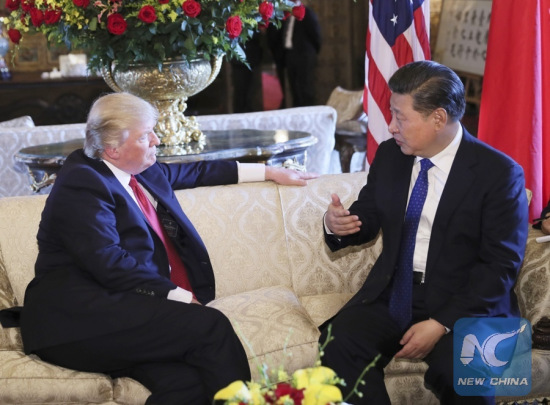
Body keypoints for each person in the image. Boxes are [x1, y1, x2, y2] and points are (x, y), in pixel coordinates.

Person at [10, 93, 317, 405]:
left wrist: (269, 171)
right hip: (73, 322)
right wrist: (181, 297)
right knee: (210, 326)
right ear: (113, 148)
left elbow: (197, 172)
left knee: (188, 385)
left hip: (122, 314)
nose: (157, 140)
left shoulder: (139, 169)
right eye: (146, 135)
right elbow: (108, 262)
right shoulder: (81, 183)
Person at [319, 61, 528, 405]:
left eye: (401, 118)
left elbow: (500, 267)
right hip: (396, 292)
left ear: (438, 119)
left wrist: (442, 323)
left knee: (464, 377)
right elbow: (368, 213)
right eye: (391, 114)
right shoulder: (391, 155)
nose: (390, 127)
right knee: (337, 346)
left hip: (468, 303)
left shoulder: (499, 174)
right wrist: (340, 224)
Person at [268, 1, 321, 107]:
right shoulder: (285, 14)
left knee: (305, 90)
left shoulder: (307, 13)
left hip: (304, 57)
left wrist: (310, 54)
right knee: (294, 90)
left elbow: (316, 36)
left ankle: (308, 115)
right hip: (290, 55)